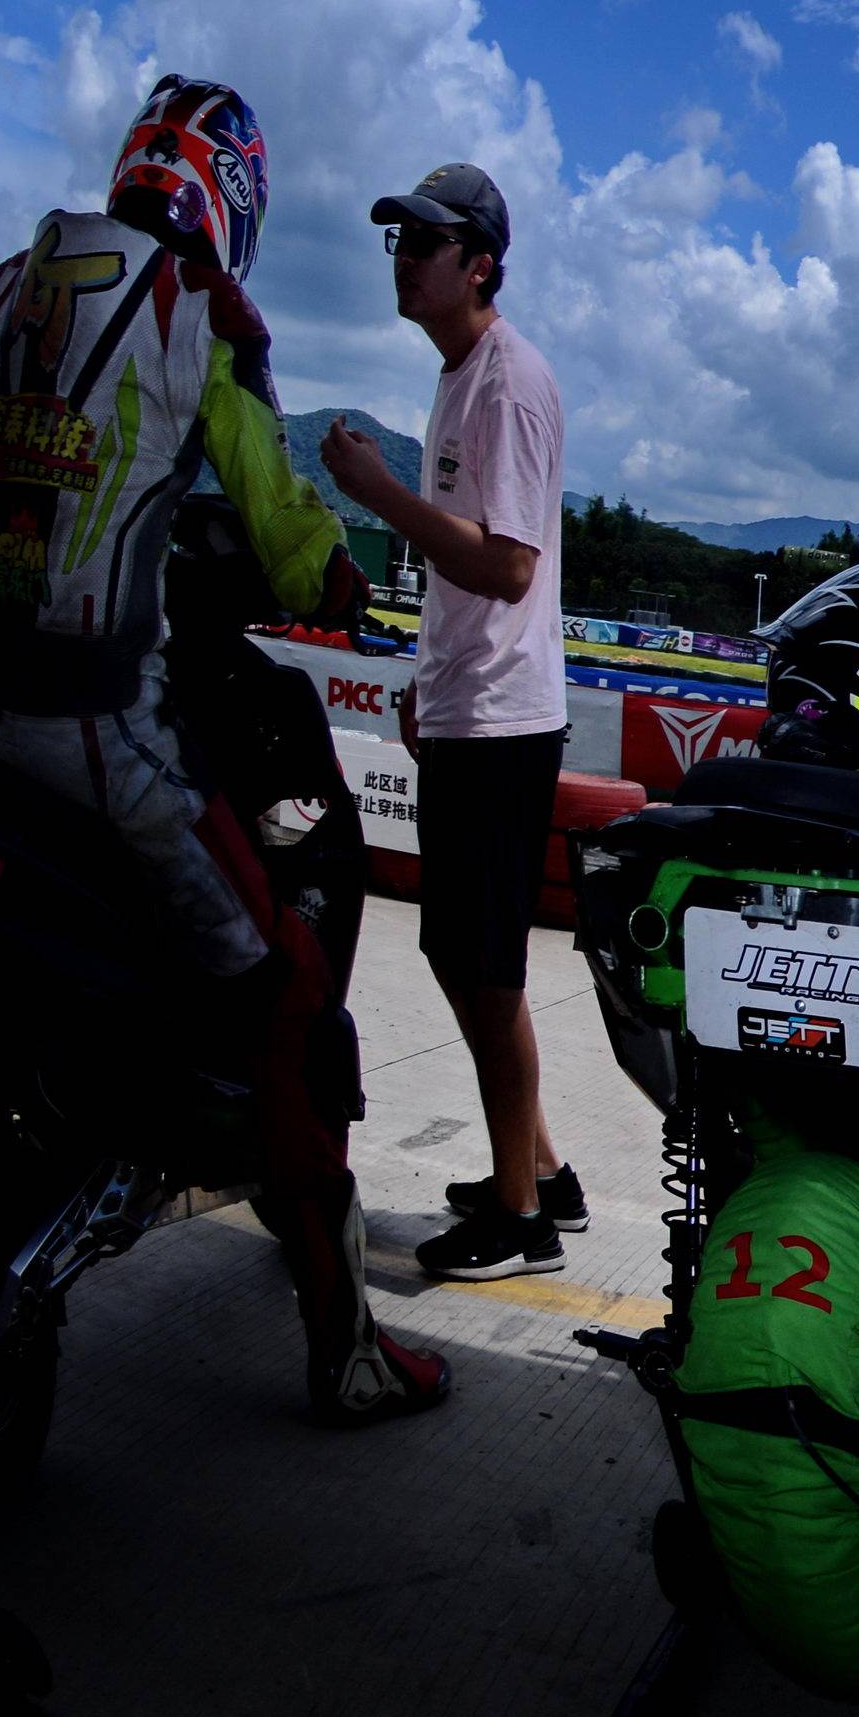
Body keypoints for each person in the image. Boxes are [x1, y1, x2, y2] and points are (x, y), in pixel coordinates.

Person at [0, 76, 451, 1425]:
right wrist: (333, 574)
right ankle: (346, 1349)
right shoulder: (195, 314)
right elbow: (284, 533)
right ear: (234, 198)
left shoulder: (10, 283)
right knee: (289, 988)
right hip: (104, 738)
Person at [319, 163, 575, 1282]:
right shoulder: (463, 372)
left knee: (487, 966)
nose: (406, 258)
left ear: (481, 264)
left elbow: (509, 566)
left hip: (506, 722)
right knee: (457, 952)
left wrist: (377, 494)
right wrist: (432, 677)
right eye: (400, 239)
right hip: (473, 705)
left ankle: (521, 1219)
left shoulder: (506, 384)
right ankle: (543, 1170)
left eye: (427, 241)